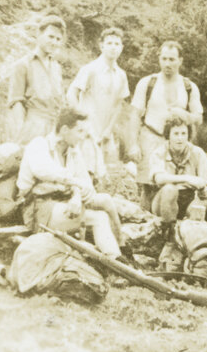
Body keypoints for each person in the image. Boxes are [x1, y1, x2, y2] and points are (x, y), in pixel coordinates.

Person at [15, 106, 126, 259]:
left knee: (106, 200)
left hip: (64, 201)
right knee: (98, 217)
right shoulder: (39, 144)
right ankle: (115, 261)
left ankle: (122, 247)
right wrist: (75, 184)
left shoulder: (73, 151)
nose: (82, 137)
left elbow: (86, 183)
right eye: (79, 132)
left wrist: (77, 195)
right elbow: (44, 171)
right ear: (65, 129)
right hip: (38, 208)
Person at [128, 41, 203, 210]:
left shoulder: (189, 87)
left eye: (172, 59)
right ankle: (144, 226)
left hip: (176, 142)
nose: (167, 64)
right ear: (159, 59)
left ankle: (168, 226)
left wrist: (187, 116)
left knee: (174, 187)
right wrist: (133, 144)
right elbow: (134, 114)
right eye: (164, 59)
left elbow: (199, 118)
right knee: (148, 187)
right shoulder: (147, 83)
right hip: (150, 136)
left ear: (180, 60)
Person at [67, 27, 131, 181]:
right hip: (87, 131)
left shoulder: (121, 75)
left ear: (122, 48)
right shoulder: (90, 69)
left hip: (105, 134)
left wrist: (108, 130)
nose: (113, 47)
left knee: (103, 176)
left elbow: (118, 105)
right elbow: (71, 94)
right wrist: (81, 123)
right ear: (101, 46)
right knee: (83, 174)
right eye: (109, 43)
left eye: (117, 44)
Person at [148, 114, 207, 226]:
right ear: (168, 135)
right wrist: (188, 179)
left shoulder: (197, 153)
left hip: (190, 200)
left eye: (183, 134)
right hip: (163, 202)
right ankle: (169, 235)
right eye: (176, 134)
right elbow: (159, 179)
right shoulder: (159, 152)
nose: (180, 138)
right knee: (169, 190)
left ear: (188, 135)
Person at [7, 15, 66, 145]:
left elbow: (60, 102)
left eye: (58, 39)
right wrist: (21, 132)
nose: (54, 42)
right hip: (33, 127)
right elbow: (16, 102)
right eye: (50, 37)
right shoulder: (22, 65)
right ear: (39, 34)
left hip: (54, 128)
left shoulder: (56, 67)